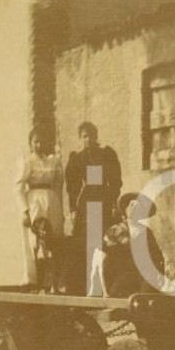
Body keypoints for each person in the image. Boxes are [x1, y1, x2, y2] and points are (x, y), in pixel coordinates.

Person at [65, 122, 122, 293]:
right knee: (85, 243)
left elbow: (115, 181)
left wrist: (113, 202)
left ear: (96, 136)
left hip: (104, 200)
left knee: (104, 243)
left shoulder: (106, 154)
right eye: (84, 136)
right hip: (88, 202)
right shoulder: (78, 157)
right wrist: (73, 209)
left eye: (91, 135)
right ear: (80, 138)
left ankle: (107, 286)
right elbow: (72, 186)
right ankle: (83, 288)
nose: (88, 139)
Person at [14, 128, 64, 286]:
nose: (39, 145)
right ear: (30, 143)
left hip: (52, 200)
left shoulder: (53, 161)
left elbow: (58, 185)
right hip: (34, 200)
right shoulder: (27, 161)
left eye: (42, 141)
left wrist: (60, 208)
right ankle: (32, 279)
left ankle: (53, 281)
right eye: (35, 141)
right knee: (34, 239)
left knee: (54, 238)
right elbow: (18, 186)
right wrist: (24, 210)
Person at [96, 192, 166, 297]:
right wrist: (104, 291)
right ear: (125, 209)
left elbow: (157, 258)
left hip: (144, 277)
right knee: (118, 296)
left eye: (139, 208)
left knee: (144, 298)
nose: (134, 210)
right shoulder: (115, 230)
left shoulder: (147, 232)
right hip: (122, 276)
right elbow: (103, 261)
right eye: (131, 206)